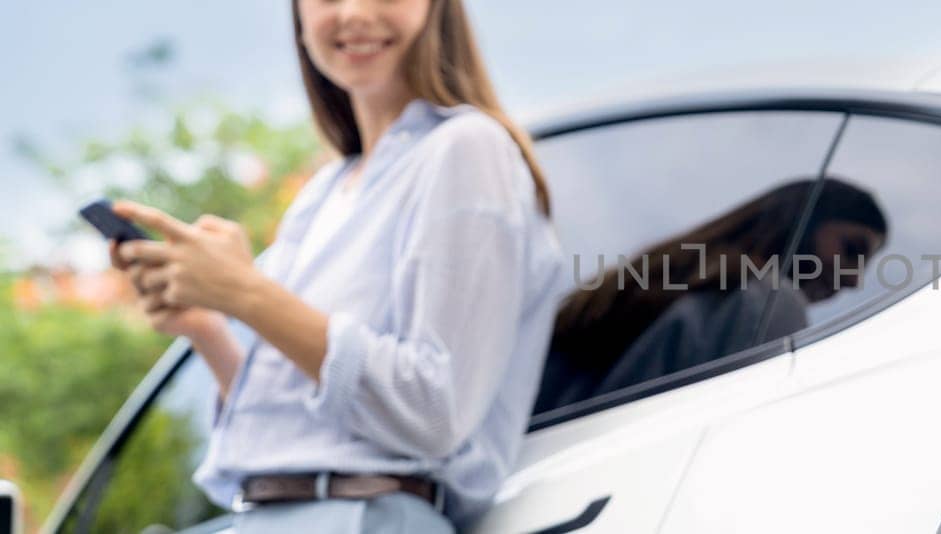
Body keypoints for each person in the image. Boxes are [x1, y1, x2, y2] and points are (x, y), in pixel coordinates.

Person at [108, 0, 562, 531]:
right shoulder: (323, 195)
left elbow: (435, 410)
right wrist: (207, 328)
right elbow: (296, 425)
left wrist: (247, 294)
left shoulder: (466, 147)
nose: (353, 12)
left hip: (367, 516)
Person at [537, 178, 887, 411]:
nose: (855, 279)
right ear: (801, 222)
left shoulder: (627, 292)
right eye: (852, 249)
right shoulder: (768, 301)